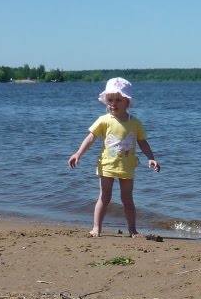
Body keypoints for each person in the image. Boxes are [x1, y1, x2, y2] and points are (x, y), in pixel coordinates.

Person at [68, 77, 160, 237]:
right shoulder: (104, 120)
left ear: (127, 102)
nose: (113, 103)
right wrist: (78, 153)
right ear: (105, 101)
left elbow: (142, 142)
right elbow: (90, 138)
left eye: (118, 100)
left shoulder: (135, 123)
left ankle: (132, 229)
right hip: (107, 165)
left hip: (127, 166)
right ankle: (96, 227)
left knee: (127, 199)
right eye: (110, 100)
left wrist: (151, 158)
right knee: (105, 196)